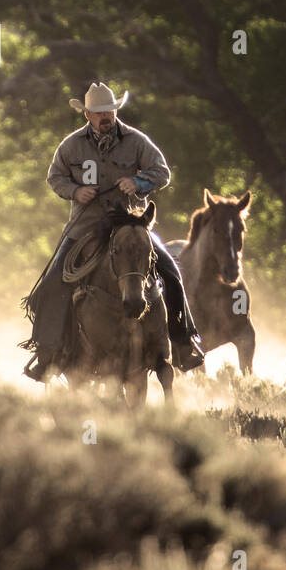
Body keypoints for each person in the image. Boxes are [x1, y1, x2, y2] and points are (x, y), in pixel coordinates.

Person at [21, 81, 205, 380]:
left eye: (109, 110)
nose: (105, 116)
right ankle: (47, 354)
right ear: (88, 115)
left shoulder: (136, 141)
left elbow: (163, 172)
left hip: (131, 224)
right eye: (98, 112)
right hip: (85, 226)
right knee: (51, 283)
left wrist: (139, 183)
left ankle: (184, 345)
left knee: (171, 272)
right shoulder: (71, 145)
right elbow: (55, 178)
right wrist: (75, 190)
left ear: (115, 111)